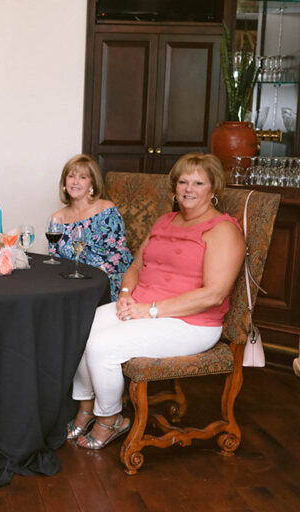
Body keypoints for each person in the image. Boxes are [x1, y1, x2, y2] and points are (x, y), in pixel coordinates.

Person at [67, 153, 245, 450]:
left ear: (213, 190)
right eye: (183, 182)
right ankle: (86, 410)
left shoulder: (222, 230)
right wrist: (125, 295)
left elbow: (214, 294)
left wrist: (149, 310)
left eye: (199, 183)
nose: (189, 189)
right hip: (141, 307)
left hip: (189, 322)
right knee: (79, 328)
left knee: (102, 347)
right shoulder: (165, 221)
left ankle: (111, 420)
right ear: (175, 187)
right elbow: (135, 266)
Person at [51, 154, 133, 300]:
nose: (75, 182)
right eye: (71, 176)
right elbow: (55, 260)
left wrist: (95, 277)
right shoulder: (57, 218)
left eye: (83, 177)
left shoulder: (106, 209)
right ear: (64, 181)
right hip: (74, 284)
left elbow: (119, 252)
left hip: (109, 280)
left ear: (92, 183)